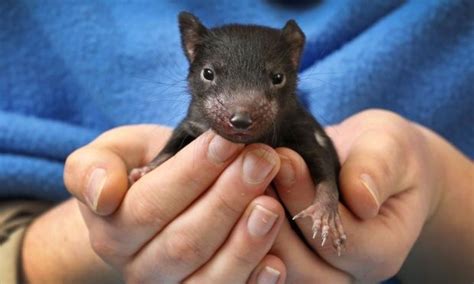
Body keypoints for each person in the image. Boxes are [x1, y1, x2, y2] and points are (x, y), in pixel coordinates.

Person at [1, 1, 473, 283]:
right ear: (191, 57)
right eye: (212, 77)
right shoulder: (195, 119)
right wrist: (86, 243)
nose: (242, 111)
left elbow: (321, 159)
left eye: (271, 80)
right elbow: (178, 141)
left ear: (293, 62)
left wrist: (440, 192)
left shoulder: (297, 125)